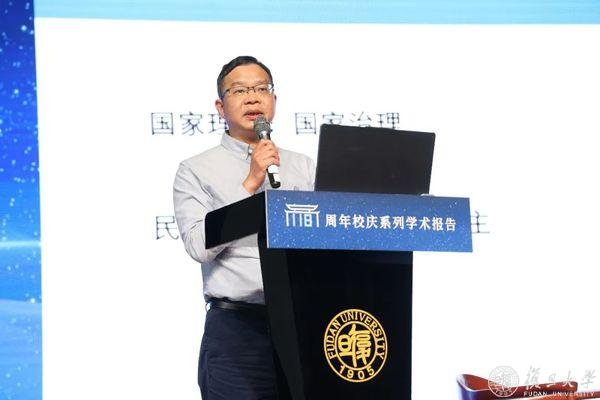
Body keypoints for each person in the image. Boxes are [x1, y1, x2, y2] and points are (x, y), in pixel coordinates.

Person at [173, 56, 315, 399]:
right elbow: (198, 245)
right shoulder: (196, 170)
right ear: (220, 107)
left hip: (303, 325)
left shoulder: (303, 166)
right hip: (238, 331)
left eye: (261, 89)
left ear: (274, 100)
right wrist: (250, 182)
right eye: (239, 90)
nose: (253, 98)